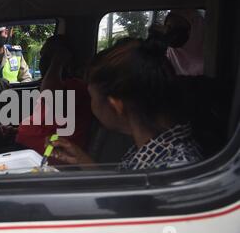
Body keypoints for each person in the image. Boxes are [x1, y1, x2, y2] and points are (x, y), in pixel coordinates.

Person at [47, 38, 203, 171]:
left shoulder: (172, 169)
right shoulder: (157, 145)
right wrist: (82, 160)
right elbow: (124, 187)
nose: (91, 104)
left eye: (92, 97)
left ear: (116, 105)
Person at [1, 35, 93, 157]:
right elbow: (45, 124)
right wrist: (16, 130)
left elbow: (50, 96)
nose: (42, 61)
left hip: (46, 157)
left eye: (47, 56)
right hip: (28, 148)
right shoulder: (57, 85)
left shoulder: (76, 87)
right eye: (42, 56)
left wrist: (57, 62)